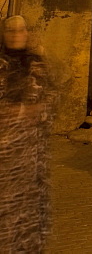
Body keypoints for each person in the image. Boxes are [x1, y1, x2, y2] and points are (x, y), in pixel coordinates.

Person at [0, 15, 55, 253]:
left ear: (26, 33)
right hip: (4, 149)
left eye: (20, 30)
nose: (15, 35)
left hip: (30, 150)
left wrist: (37, 111)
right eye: (10, 31)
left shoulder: (36, 63)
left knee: (30, 206)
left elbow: (52, 98)